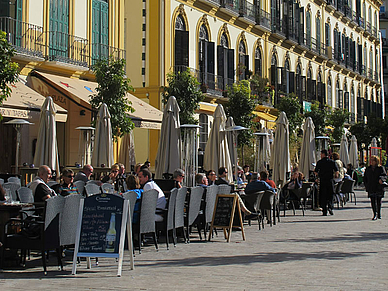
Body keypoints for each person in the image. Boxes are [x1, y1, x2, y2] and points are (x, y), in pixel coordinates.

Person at [314, 150, 339, 216]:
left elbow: (316, 172)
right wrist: (335, 176)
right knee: (331, 194)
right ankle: (330, 207)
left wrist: (318, 176)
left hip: (322, 180)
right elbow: (337, 171)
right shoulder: (332, 162)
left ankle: (324, 210)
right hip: (330, 180)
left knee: (323, 195)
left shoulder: (320, 162)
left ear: (323, 154)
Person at [364, 155, 387, 220]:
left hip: (378, 186)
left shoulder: (380, 168)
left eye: (373, 160)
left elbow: (384, 176)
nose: (371, 161)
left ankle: (378, 213)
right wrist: (366, 185)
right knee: (373, 201)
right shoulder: (368, 168)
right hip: (371, 186)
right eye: (371, 160)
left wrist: (381, 179)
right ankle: (374, 213)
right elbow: (365, 178)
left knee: (379, 201)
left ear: (376, 161)